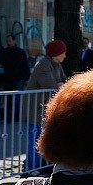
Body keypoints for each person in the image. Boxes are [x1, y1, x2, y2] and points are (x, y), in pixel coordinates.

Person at [25, 39, 68, 171]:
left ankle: (39, 165)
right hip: (36, 109)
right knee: (35, 138)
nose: (65, 56)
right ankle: (33, 168)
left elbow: (64, 81)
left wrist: (60, 84)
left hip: (46, 109)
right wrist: (58, 84)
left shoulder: (56, 65)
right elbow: (50, 84)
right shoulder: (44, 64)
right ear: (56, 54)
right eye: (63, 53)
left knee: (42, 137)